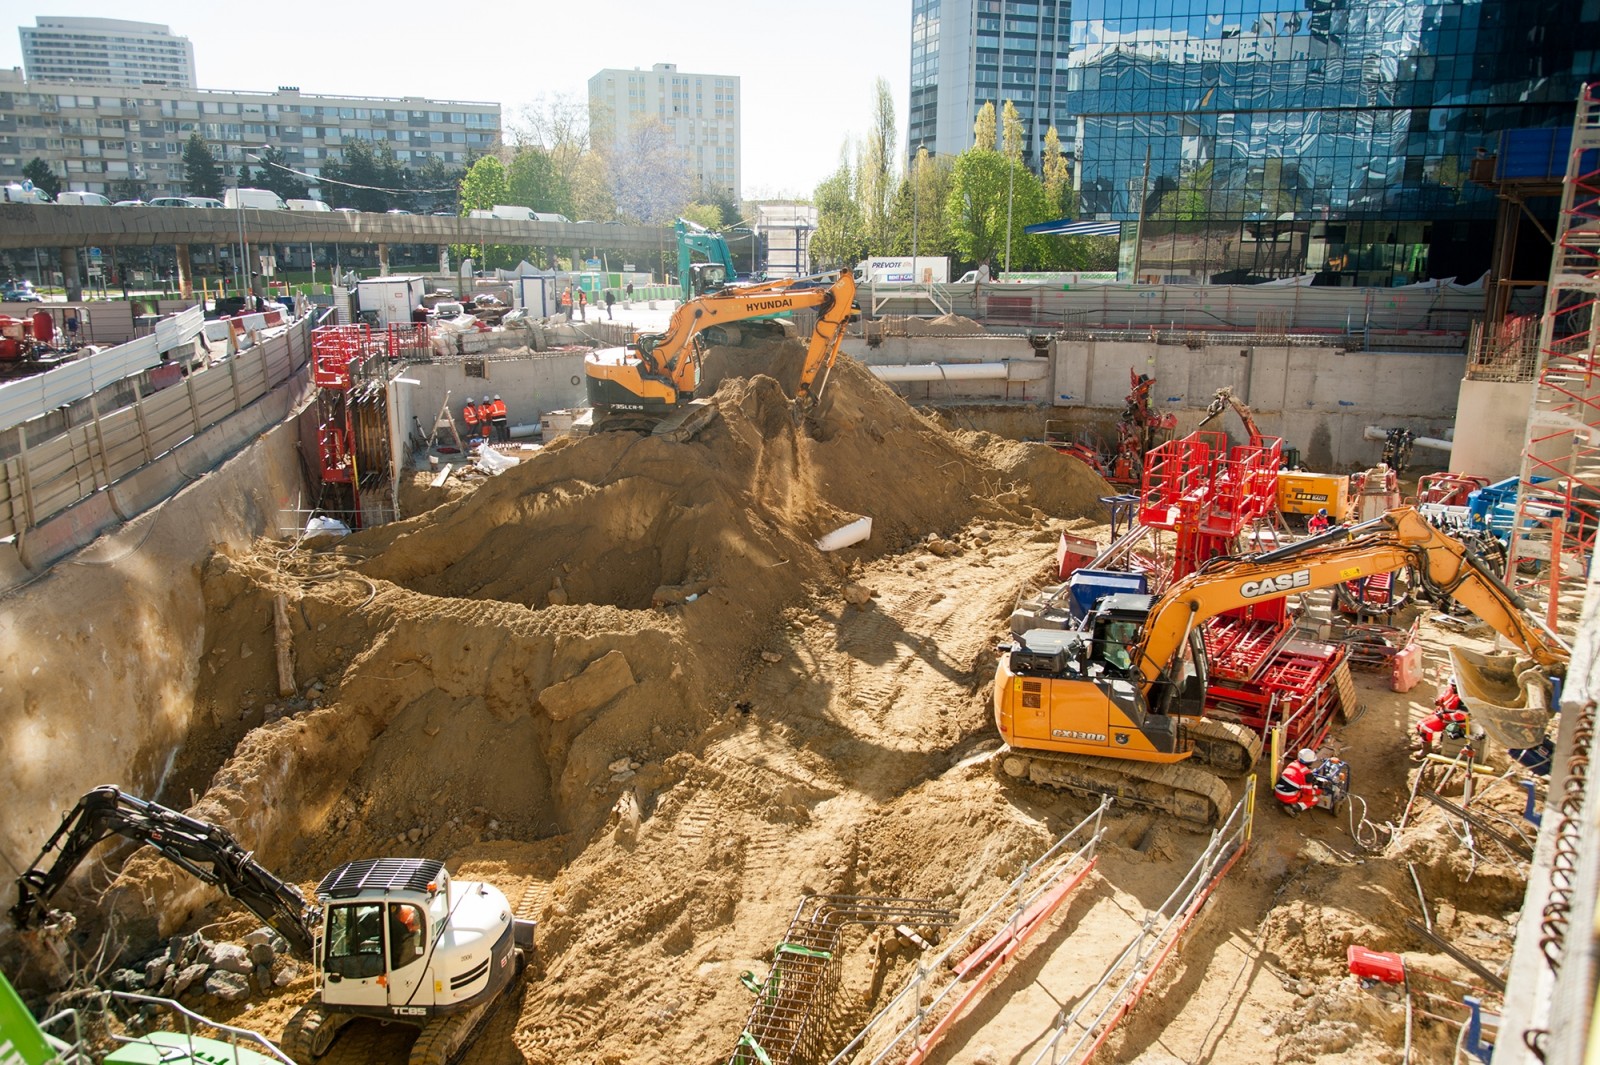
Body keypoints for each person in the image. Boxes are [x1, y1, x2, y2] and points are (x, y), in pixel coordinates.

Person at [1415, 682, 1470, 759]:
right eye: (1452, 685)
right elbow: (1443, 695)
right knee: (1419, 724)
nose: (1452, 687)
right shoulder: (1450, 690)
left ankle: (1426, 750)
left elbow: (1460, 716)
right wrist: (1439, 701)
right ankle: (1423, 743)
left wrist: (1443, 716)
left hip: (1453, 722)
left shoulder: (1465, 699)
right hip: (1442, 716)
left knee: (1425, 727)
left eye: (1454, 686)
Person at [1273, 749, 1323, 814]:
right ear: (1310, 762)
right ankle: (1294, 807)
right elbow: (1309, 792)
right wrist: (1318, 790)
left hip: (1277, 792)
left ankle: (1285, 802)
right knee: (1315, 799)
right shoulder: (1306, 774)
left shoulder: (1293, 764)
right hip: (1287, 796)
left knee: (1294, 787)